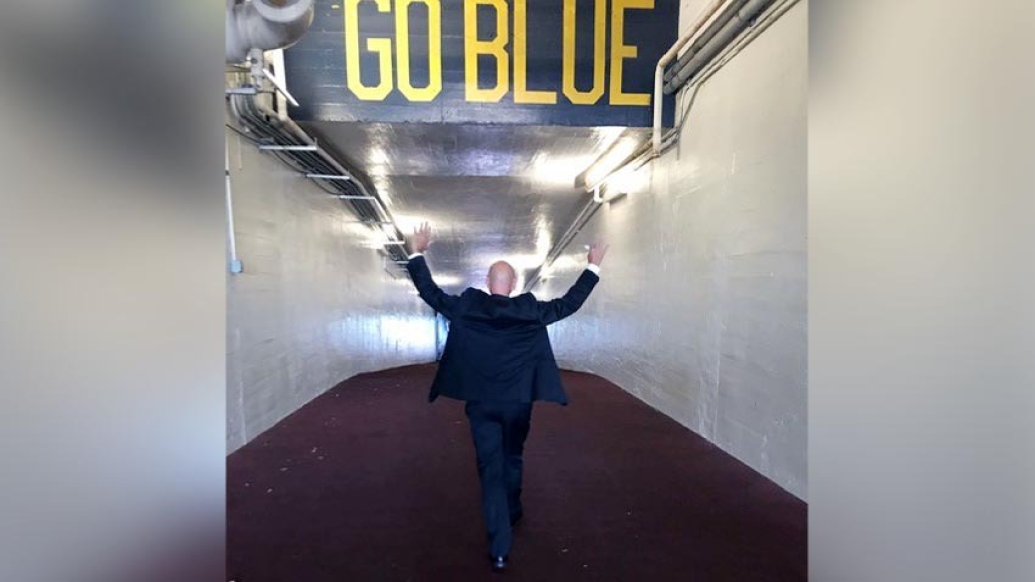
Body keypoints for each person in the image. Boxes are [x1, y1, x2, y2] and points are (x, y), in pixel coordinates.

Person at [405, 222, 607, 572]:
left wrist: (417, 251)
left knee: (490, 467)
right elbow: (568, 304)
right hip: (518, 403)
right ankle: (512, 510)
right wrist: (593, 264)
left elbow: (430, 292)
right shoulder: (529, 310)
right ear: (512, 285)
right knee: (513, 456)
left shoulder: (467, 306)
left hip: (481, 403)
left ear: (487, 283)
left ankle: (500, 545)